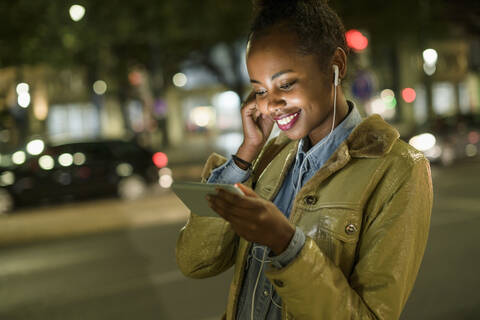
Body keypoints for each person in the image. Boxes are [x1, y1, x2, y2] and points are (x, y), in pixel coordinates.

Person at [176, 0, 433, 319]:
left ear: (336, 65)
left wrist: (286, 244)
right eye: (259, 90)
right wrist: (245, 156)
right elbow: (195, 262)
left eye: (285, 84)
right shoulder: (268, 156)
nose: (270, 105)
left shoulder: (398, 169)